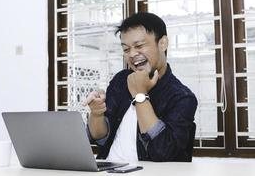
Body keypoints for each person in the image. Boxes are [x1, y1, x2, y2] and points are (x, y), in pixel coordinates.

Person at [83, 12, 198, 162]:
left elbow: (163, 152)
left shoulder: (182, 97)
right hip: (108, 170)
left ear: (162, 43)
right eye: (126, 49)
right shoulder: (120, 81)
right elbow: (100, 137)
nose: (132, 54)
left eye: (139, 46)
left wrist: (140, 95)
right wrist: (97, 113)